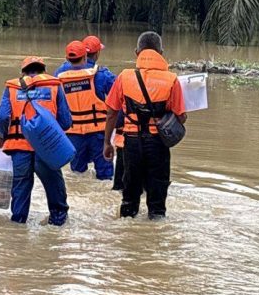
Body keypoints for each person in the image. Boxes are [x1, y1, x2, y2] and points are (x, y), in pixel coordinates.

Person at [103, 32, 186, 219]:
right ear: (161, 53)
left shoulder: (124, 77)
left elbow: (111, 113)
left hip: (131, 144)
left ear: (136, 52)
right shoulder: (172, 79)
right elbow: (181, 117)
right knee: (157, 201)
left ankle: (128, 233)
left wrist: (107, 142)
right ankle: (155, 237)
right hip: (158, 144)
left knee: (129, 197)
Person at [0, 56, 73, 226]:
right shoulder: (54, 85)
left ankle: (18, 225)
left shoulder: (12, 87)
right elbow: (66, 121)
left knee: (21, 189)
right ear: (44, 71)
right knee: (54, 186)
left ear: (22, 73)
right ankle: (58, 222)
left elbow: (2, 116)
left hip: (19, 147)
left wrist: (2, 136)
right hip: (46, 149)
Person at [56, 40, 116, 180]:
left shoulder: (59, 76)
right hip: (99, 134)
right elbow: (120, 95)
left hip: (73, 134)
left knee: (77, 175)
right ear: (86, 56)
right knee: (105, 176)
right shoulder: (101, 75)